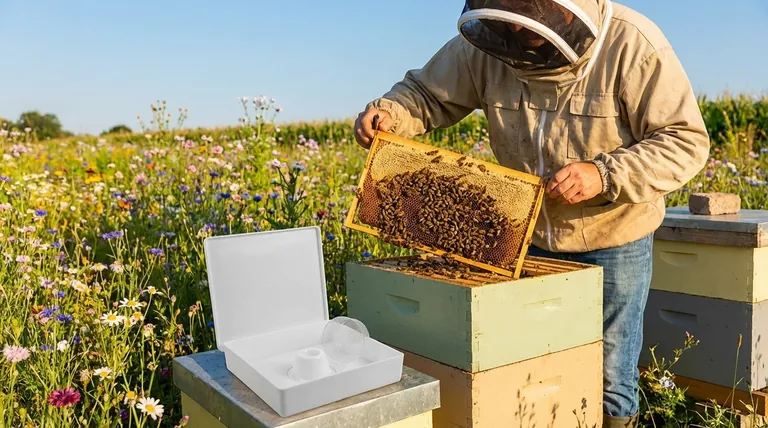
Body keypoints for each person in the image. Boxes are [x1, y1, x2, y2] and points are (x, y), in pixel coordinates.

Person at [353, 0, 709, 426]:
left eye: (532, 27)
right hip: (526, 238)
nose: (522, 38)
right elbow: (428, 93)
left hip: (613, 238)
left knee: (611, 376)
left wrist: (603, 174)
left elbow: (684, 141)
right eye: (515, 26)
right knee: (535, 368)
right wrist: (390, 112)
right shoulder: (490, 43)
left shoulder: (633, 45)